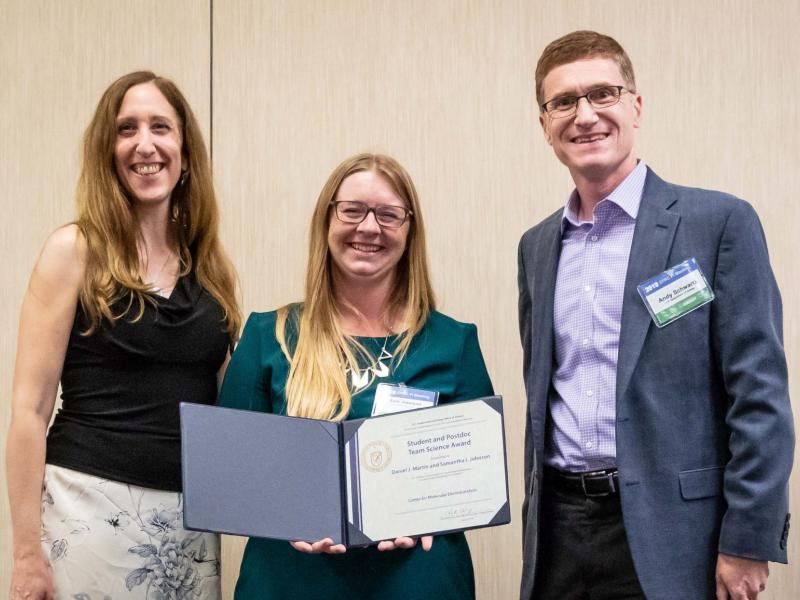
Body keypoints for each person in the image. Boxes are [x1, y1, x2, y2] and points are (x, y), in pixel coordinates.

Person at [517, 31, 793, 600]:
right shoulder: (537, 246)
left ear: (635, 106)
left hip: (676, 536)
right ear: (544, 124)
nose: (584, 114)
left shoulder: (716, 224)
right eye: (563, 102)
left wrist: (749, 538)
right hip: (559, 533)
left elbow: (759, 396)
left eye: (602, 94)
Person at [6, 71, 241, 599]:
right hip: (87, 513)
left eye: (161, 127)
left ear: (185, 150)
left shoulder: (211, 265)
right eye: (126, 129)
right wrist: (25, 555)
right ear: (106, 150)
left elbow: (228, 406)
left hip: (190, 525)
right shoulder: (73, 250)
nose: (145, 144)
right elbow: (29, 411)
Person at [218, 152, 494, 599]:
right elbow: (230, 473)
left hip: (416, 581)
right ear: (326, 220)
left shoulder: (455, 343)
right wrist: (287, 517)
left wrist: (429, 510)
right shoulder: (269, 335)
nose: (369, 227)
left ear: (410, 231)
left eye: (389, 215)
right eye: (352, 210)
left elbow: (475, 482)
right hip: (291, 580)